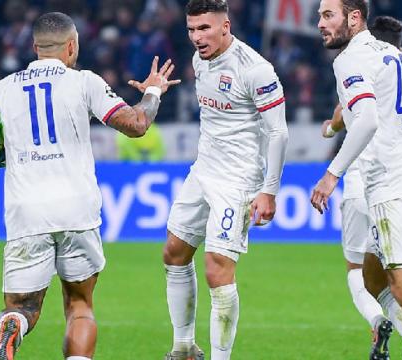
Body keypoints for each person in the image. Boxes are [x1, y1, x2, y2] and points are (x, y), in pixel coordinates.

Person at [0, 12, 180, 360]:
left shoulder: (0, 90)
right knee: (79, 305)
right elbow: (137, 125)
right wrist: (153, 91)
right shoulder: (84, 82)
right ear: (72, 46)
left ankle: (13, 323)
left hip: (27, 213)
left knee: (24, 306)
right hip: (77, 210)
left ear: (35, 48)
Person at [313, 1, 402, 359]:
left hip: (393, 183)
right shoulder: (399, 58)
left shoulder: (349, 59)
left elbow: (365, 121)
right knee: (374, 277)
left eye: (327, 15)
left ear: (354, 17)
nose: (319, 24)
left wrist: (332, 175)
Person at [162, 1, 290, 359]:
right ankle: (184, 347)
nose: (196, 38)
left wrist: (269, 190)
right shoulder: (199, 61)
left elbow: (278, 133)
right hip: (203, 171)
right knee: (174, 252)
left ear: (225, 26)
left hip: (238, 181)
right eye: (191, 29)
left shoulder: (256, 70)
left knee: (217, 269)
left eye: (204, 28)